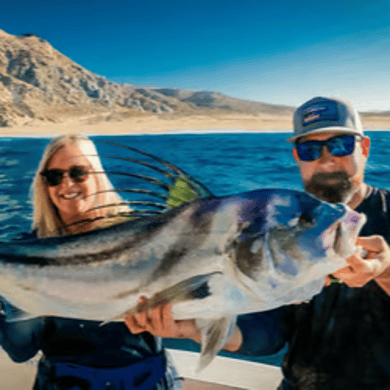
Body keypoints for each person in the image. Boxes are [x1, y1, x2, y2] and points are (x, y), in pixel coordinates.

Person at [126, 97, 390, 389]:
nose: (326, 159)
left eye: (341, 145)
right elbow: (273, 331)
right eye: (310, 149)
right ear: (297, 157)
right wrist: (194, 327)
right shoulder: (282, 229)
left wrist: (385, 271)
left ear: (364, 148)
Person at [0, 134, 181, 389]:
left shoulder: (145, 234)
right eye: (54, 177)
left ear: (98, 174)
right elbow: (21, 350)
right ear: (45, 186)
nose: (66, 184)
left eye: (78, 172)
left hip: (147, 382)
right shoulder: (25, 250)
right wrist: (16, 290)